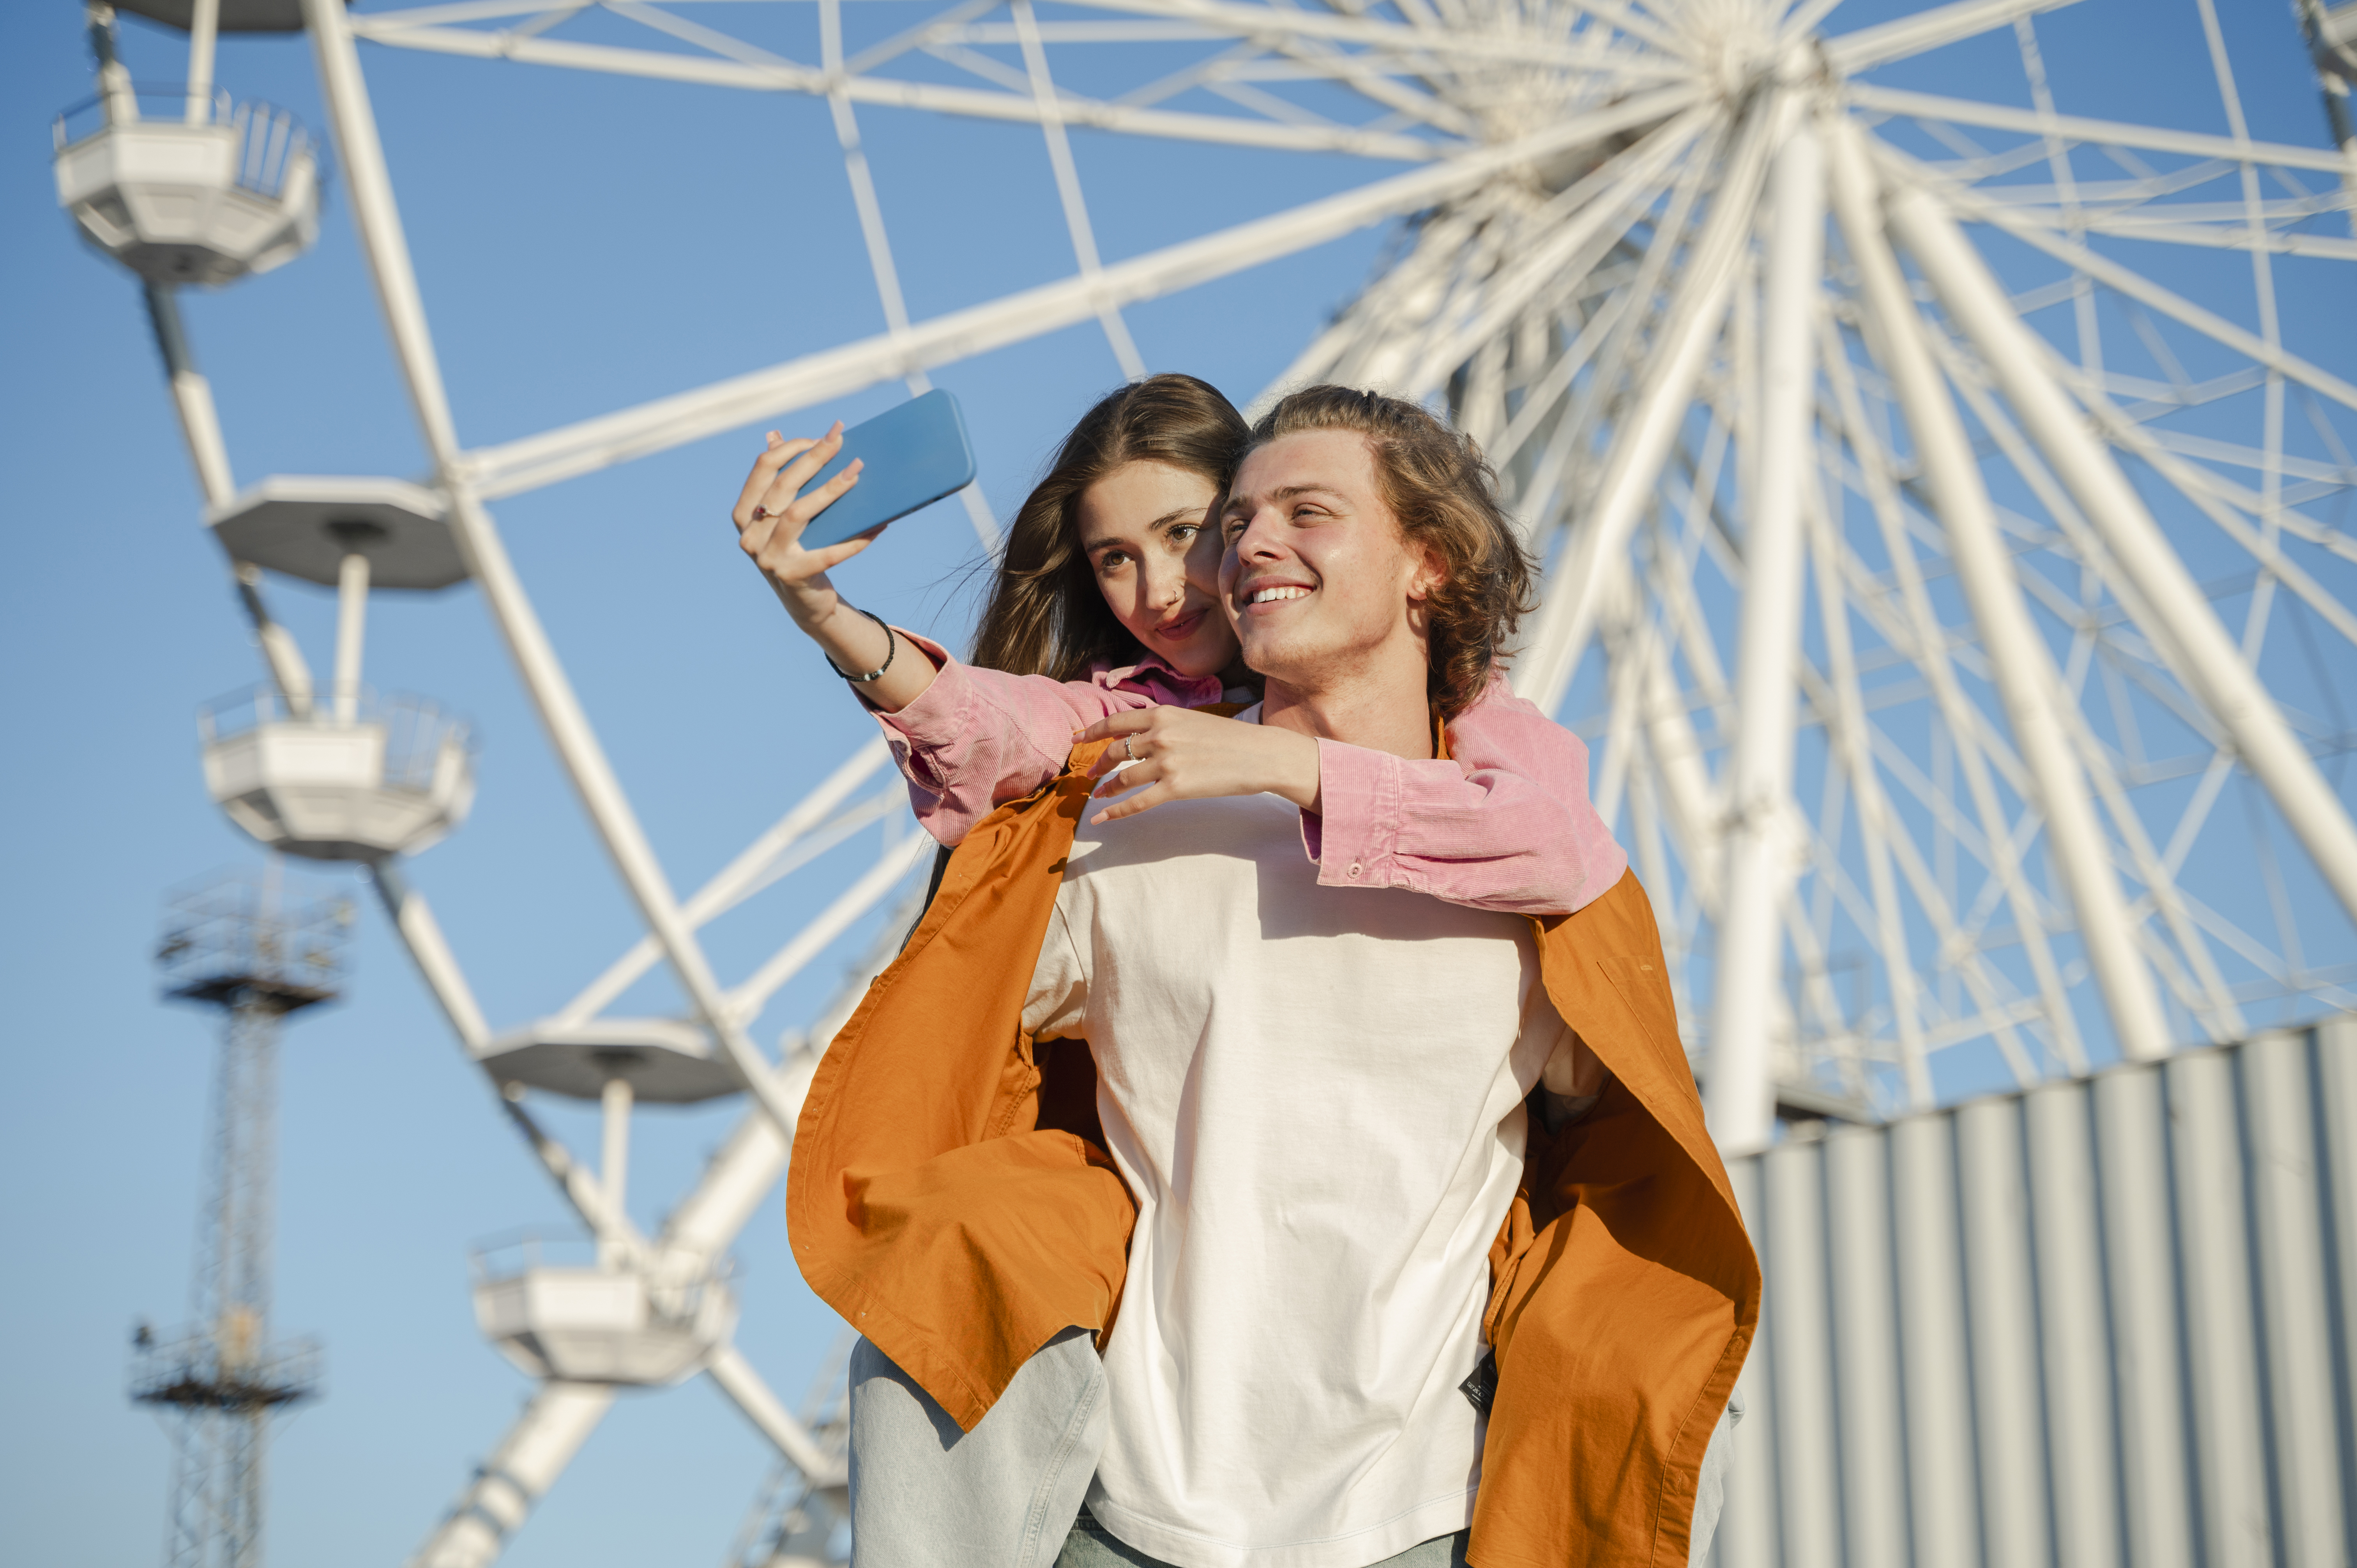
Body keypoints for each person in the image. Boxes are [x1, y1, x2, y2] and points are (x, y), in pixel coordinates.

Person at [767, 386, 1758, 1568]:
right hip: (1123, 1515)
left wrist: (1289, 768)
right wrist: (827, 613)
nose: (1233, 556)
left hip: (1418, 1517)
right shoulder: (1128, 808)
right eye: (1231, 525)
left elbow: (1615, 1120)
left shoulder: (1527, 854)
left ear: (1425, 563)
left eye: (1299, 512)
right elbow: (994, 747)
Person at [730, 373, 1624, 919]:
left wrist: (1282, 761)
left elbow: (1558, 844)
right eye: (1114, 559)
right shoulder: (1139, 712)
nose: (1158, 591)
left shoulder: (1462, 715)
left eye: (1191, 532)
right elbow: (999, 721)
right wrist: (821, 609)